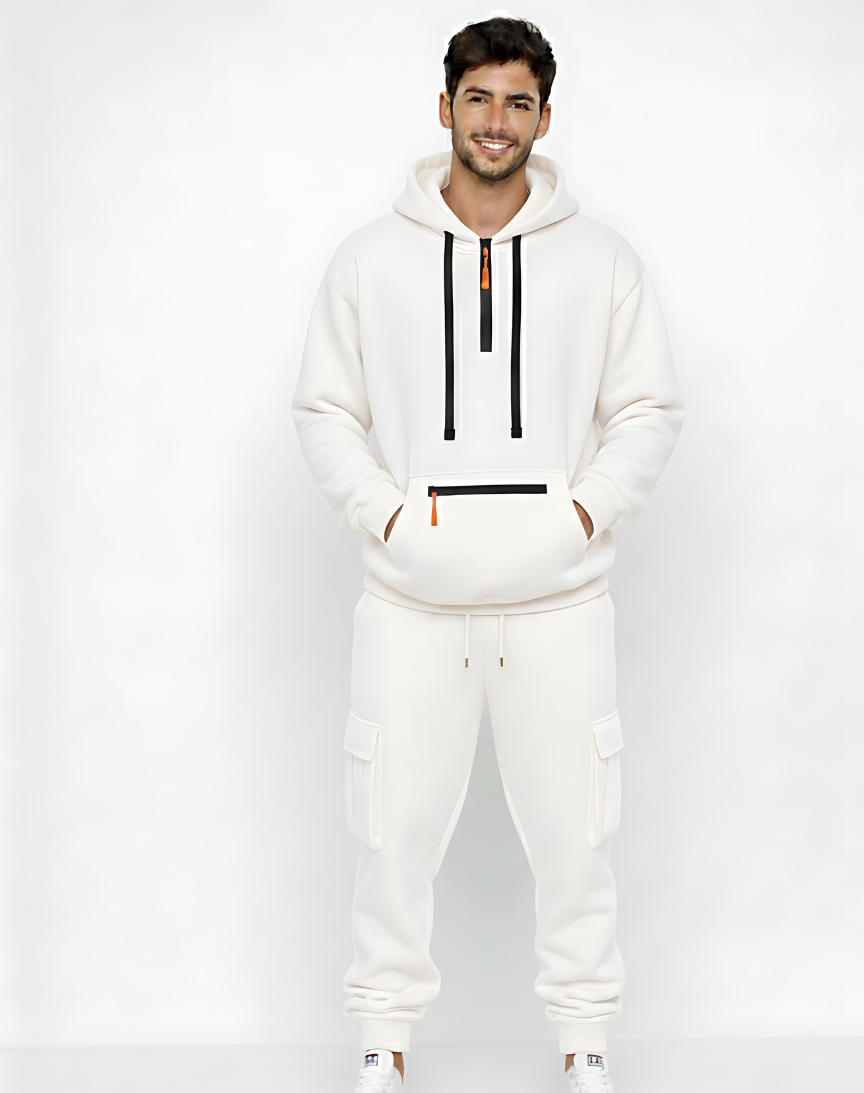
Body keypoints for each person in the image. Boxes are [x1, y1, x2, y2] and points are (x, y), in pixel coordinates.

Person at [293, 16, 683, 1092]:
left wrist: (582, 516)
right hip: (409, 603)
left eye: (518, 102)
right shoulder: (369, 260)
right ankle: (382, 1046)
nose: (496, 121)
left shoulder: (602, 261)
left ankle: (585, 1046)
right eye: (479, 98)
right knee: (390, 837)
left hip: (560, 603)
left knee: (577, 838)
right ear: (445, 108)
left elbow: (648, 409)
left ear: (545, 117)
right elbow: (325, 410)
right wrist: (385, 517)